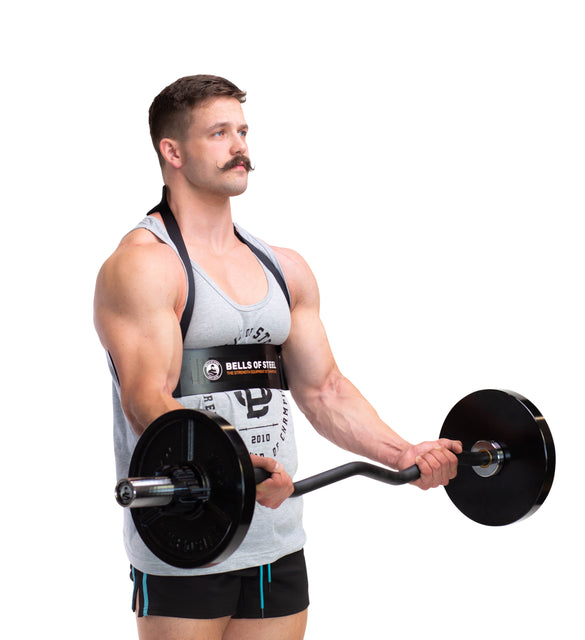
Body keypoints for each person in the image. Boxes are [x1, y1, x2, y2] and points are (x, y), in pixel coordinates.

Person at [94, 74, 461, 640]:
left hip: (276, 532)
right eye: (218, 133)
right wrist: (234, 468)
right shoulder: (146, 264)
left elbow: (325, 390)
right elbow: (147, 399)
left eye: (242, 131)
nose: (239, 146)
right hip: (191, 536)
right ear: (172, 151)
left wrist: (402, 452)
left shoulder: (283, 267)